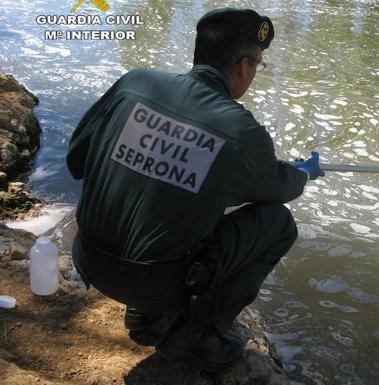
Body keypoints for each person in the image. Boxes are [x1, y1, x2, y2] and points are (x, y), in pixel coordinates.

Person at [66, 7, 324, 372]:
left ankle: (142, 314)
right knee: (277, 224)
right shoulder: (240, 130)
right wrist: (303, 174)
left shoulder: (134, 84)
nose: (254, 74)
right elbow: (276, 190)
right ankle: (197, 337)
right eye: (258, 65)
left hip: (89, 259)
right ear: (243, 65)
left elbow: (76, 161)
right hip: (155, 283)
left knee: (168, 190)